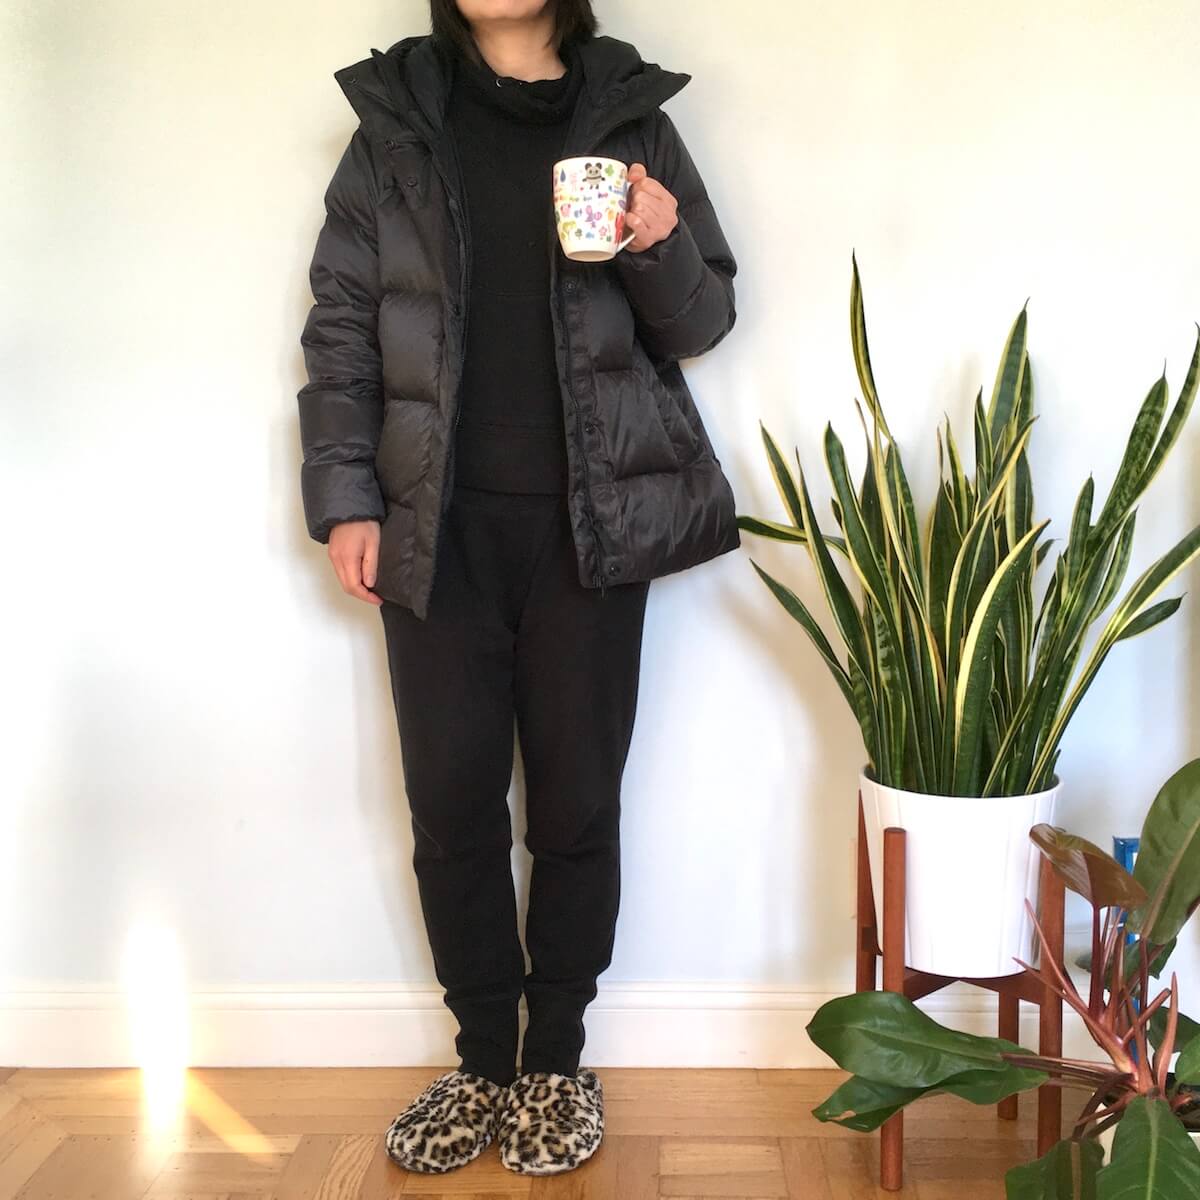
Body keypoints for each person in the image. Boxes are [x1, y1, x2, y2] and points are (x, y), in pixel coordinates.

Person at [296, 0, 739, 1178]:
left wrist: (658, 240)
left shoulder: (630, 118)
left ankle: (555, 1063)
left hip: (593, 525)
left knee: (577, 805)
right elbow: (341, 325)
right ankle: (483, 1060)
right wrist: (346, 496)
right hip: (433, 527)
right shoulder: (396, 123)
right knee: (451, 805)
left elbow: (702, 322)